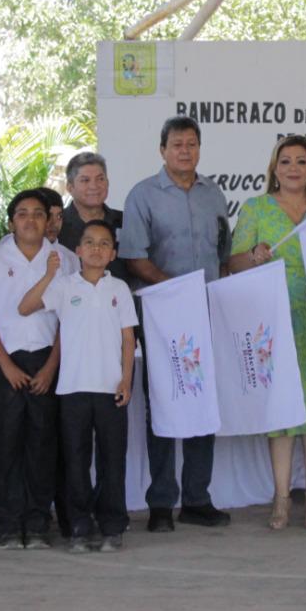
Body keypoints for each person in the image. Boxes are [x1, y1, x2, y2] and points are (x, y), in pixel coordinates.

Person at [118, 115, 232, 532]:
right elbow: (134, 257)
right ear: (162, 150)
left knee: (202, 402)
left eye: (192, 144)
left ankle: (197, 499)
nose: (185, 150)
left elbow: (222, 252)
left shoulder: (213, 194)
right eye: (177, 144)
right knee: (164, 404)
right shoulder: (143, 195)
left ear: (199, 149)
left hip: (205, 313)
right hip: (164, 315)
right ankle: (162, 502)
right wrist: (177, 289)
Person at [229, 135, 306, 531]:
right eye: (286, 161)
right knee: (281, 411)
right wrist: (254, 256)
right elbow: (234, 262)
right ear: (274, 169)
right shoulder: (256, 208)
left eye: (301, 161)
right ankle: (281, 498)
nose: (293, 168)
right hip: (273, 319)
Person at [19, 218, 137, 552]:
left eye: (104, 244)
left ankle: (113, 525)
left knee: (112, 461)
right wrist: (48, 274)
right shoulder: (65, 286)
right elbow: (25, 307)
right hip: (72, 390)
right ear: (78, 250)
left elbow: (128, 339)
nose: (96, 249)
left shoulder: (119, 289)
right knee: (75, 461)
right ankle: (80, 527)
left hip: (111, 388)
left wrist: (126, 379)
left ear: (112, 253)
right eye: (90, 243)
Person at [0, 190, 69, 549]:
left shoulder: (61, 261)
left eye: (38, 214)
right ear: (11, 222)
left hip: (46, 361)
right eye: (22, 214)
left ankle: (38, 522)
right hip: (5, 363)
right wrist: (6, 366)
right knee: (6, 444)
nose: (30, 220)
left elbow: (65, 322)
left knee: (42, 444)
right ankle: (9, 523)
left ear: (49, 221)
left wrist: (50, 367)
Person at [59, 152, 125, 272]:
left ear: (107, 182)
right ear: (69, 187)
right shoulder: (57, 225)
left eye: (100, 179)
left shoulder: (125, 221)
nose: (94, 186)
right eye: (85, 180)